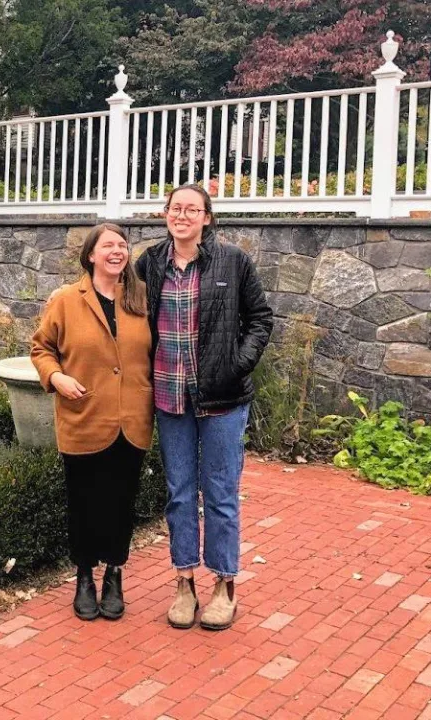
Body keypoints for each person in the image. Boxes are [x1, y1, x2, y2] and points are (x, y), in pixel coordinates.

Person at [135, 183, 273, 631]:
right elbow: (128, 315)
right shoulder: (150, 263)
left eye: (193, 209)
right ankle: (183, 583)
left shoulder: (232, 261)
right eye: (176, 208)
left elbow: (260, 318)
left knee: (220, 494)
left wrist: (239, 364)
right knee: (178, 494)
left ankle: (224, 586)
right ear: (165, 214)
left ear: (207, 218)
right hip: (169, 398)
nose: (183, 215)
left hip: (222, 400)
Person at [31, 223, 154, 621]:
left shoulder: (141, 298)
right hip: (83, 417)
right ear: (91, 256)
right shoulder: (67, 299)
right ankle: (84, 575)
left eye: (122, 245)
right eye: (108, 246)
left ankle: (114, 574)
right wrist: (56, 377)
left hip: (132, 420)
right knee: (83, 503)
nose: (117, 251)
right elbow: (41, 348)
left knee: (121, 503)